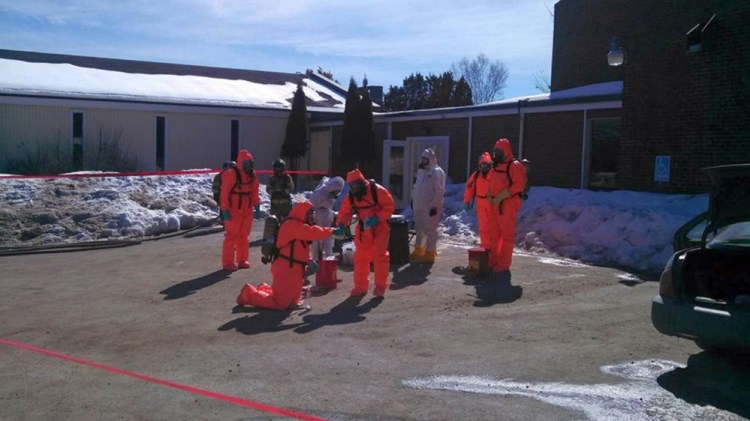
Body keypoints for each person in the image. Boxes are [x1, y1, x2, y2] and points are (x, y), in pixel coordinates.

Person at [236, 201, 335, 310]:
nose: (312, 219)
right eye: (310, 216)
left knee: (292, 298)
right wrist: (332, 232)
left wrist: (308, 260)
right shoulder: (292, 225)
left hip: (294, 268)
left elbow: (296, 249)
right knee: (280, 303)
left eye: (313, 216)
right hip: (286, 268)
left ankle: (265, 291)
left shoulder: (298, 225)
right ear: (303, 214)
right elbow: (312, 232)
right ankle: (248, 294)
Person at [335, 169, 395, 298]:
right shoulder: (351, 197)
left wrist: (377, 218)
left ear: (361, 182)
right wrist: (340, 225)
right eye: (352, 186)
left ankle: (380, 286)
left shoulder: (377, 190)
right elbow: (344, 212)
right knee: (361, 257)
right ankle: (361, 286)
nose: (354, 188)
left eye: (356, 185)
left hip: (380, 227)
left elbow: (389, 206)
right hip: (363, 229)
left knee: (380, 256)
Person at [486, 138, 526, 273]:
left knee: (506, 236)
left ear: (506, 151)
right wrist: (490, 195)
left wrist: (503, 195)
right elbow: (490, 182)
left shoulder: (514, 166)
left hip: (507, 205)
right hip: (495, 205)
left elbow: (519, 185)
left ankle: (503, 264)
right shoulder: (495, 166)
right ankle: (493, 261)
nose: (496, 154)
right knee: (493, 234)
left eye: (499, 151)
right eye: (495, 151)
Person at [219, 150, 260, 271]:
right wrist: (225, 210)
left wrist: (256, 204)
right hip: (233, 210)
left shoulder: (252, 176)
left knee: (244, 236)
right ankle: (228, 263)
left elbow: (254, 191)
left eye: (251, 164)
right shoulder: (231, 174)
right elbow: (224, 194)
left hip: (247, 209)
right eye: (247, 164)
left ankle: (242, 260)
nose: (250, 167)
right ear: (241, 164)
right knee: (231, 237)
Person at [409, 148, 446, 263]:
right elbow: (417, 187)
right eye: (422, 159)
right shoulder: (422, 172)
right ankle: (419, 249)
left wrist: (435, 206)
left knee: (430, 229)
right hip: (419, 205)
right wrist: (413, 198)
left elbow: (439, 191)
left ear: (431, 160)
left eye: (426, 159)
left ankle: (430, 252)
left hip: (430, 206)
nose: (423, 161)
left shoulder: (436, 172)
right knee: (419, 227)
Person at [309, 176, 345, 260]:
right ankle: (316, 258)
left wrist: (333, 215)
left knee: (329, 236)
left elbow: (328, 206)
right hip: (318, 215)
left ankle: (328, 258)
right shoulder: (319, 192)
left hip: (327, 214)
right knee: (318, 237)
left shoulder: (329, 194)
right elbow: (311, 206)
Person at [463, 152, 493, 249]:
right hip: (480, 202)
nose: (483, 166)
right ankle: (485, 245)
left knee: (493, 226)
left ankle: (493, 247)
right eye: (482, 164)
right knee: (483, 226)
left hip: (492, 202)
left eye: (485, 164)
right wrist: (467, 201)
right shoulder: (476, 175)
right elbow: (469, 188)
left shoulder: (494, 175)